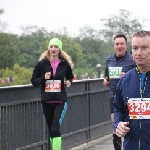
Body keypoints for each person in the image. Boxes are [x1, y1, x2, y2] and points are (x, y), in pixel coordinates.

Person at [31, 38, 74, 150]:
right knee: (51, 130)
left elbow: (70, 76)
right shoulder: (41, 64)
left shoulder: (64, 64)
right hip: (46, 101)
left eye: (56, 47)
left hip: (60, 101)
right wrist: (43, 78)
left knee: (55, 128)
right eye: (51, 46)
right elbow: (34, 81)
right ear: (48, 48)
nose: (53, 49)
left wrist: (69, 82)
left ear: (59, 49)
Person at [114, 30, 150, 150]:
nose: (139, 53)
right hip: (131, 146)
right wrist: (118, 124)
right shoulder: (125, 80)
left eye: (144, 48)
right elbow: (118, 109)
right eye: (135, 48)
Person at [103, 33, 135, 150]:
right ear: (114, 46)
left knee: (129, 125)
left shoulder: (132, 59)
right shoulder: (109, 59)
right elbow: (106, 76)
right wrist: (106, 80)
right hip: (114, 96)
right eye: (117, 44)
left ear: (126, 45)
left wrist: (127, 76)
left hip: (129, 96)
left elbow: (139, 74)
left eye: (122, 44)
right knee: (115, 125)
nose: (119, 46)